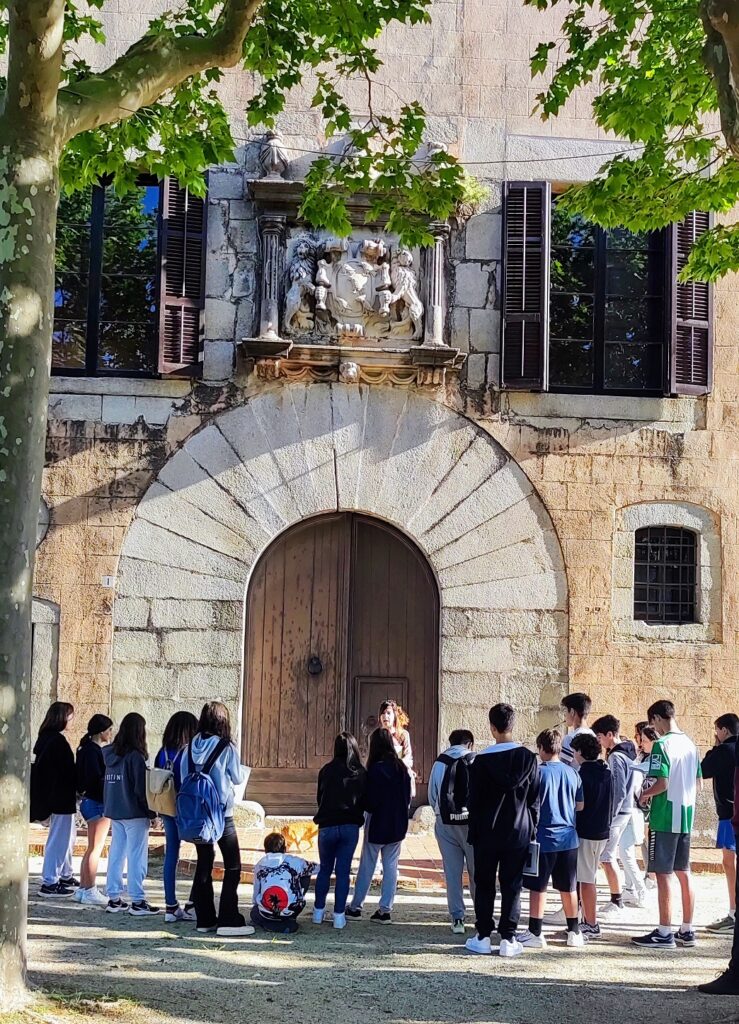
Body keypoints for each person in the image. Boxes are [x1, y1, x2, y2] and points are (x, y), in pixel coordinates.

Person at [465, 704, 539, 958]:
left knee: (484, 882)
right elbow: (534, 798)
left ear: (492, 727)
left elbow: (473, 800)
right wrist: (532, 827)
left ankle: (483, 935)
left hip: (486, 831)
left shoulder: (480, 761)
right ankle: (508, 937)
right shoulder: (528, 758)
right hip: (518, 830)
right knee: (513, 884)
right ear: (513, 725)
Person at [177, 701, 253, 937]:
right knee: (233, 865)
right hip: (222, 815)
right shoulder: (226, 747)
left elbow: (182, 776)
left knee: (204, 864)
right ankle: (229, 918)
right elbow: (237, 778)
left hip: (197, 816)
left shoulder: (188, 748)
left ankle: (205, 918)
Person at [632, 699, 700, 950]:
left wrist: (645, 795)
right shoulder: (691, 744)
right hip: (686, 814)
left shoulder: (662, 744)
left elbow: (662, 782)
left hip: (664, 816)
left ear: (658, 718)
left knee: (663, 874)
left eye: (653, 723)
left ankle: (664, 931)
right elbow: (698, 782)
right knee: (684, 871)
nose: (654, 729)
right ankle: (687, 928)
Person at [519, 729, 584, 950]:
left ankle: (535, 931)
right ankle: (574, 931)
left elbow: (528, 803)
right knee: (569, 887)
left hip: (543, 837)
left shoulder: (538, 773)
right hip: (569, 838)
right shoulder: (573, 773)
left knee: (538, 887)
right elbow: (580, 805)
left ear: (541, 748)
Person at [346, 727, 411, 924]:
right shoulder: (401, 769)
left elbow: (370, 801)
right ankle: (385, 910)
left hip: (377, 823)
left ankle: (356, 907)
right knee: (391, 866)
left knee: (367, 865)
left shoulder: (375, 770)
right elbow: (407, 797)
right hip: (397, 823)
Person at [698, 714, 739, 995]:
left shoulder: (724, 750)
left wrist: (714, 746)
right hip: (730, 811)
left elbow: (703, 769)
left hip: (728, 813)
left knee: (728, 862)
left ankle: (733, 911)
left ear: (723, 730)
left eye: (716, 730)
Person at [103, 712, 159, 916]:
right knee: (136, 856)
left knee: (116, 853)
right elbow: (140, 790)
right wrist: (152, 814)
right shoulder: (136, 757)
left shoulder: (109, 754)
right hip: (134, 812)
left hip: (115, 810)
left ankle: (114, 897)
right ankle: (137, 900)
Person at [313, 731, 367, 930]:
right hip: (349, 825)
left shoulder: (326, 770)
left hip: (327, 825)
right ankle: (338, 916)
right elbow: (364, 800)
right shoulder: (360, 772)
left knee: (325, 869)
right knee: (343, 872)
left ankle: (318, 912)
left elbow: (319, 798)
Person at [592, 714, 644, 914]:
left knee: (606, 856)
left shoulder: (616, 756)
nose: (599, 742)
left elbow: (619, 790)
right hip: (626, 809)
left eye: (600, 737)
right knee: (611, 855)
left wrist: (610, 816)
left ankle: (617, 900)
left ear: (609, 734)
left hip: (618, 812)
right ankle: (618, 897)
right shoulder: (628, 752)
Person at [428, 729, 476, 934]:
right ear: (470, 744)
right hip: (472, 824)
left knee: (452, 872)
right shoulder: (475, 760)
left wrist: (441, 814)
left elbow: (432, 796)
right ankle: (482, 914)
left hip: (446, 823)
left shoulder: (440, 762)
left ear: (450, 742)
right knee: (476, 871)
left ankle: (457, 918)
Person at [31, 701, 78, 897]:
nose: (72, 721)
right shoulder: (56, 741)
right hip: (60, 798)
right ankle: (50, 881)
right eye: (70, 717)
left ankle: (65, 874)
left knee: (67, 837)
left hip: (58, 797)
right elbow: (63, 771)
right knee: (59, 840)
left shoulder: (45, 738)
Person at [155, 710, 198, 923]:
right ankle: (193, 904)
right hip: (186, 807)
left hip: (166, 806)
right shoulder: (189, 752)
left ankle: (170, 905)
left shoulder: (162, 751)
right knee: (203, 852)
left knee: (171, 853)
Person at [570, 732, 612, 938]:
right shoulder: (605, 772)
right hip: (602, 830)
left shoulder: (582, 775)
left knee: (586, 879)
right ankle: (585, 918)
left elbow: (578, 805)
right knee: (587, 876)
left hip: (587, 832)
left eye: (575, 751)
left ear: (580, 752)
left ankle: (591, 923)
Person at [75, 713, 114, 906]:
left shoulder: (85, 748)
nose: (111, 733)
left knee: (92, 847)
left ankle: (84, 888)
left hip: (89, 800)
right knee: (96, 848)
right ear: (101, 732)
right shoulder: (93, 751)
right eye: (109, 730)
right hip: (97, 801)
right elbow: (94, 778)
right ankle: (90, 888)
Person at [252, 832, 317, 933]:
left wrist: (256, 904)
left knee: (254, 913)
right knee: (306, 873)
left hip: (267, 912)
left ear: (265, 849)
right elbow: (317, 868)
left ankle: (270, 923)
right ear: (285, 849)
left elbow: (256, 890)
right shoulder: (295, 861)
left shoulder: (259, 865)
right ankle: (289, 919)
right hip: (291, 910)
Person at [634, 721, 659, 889]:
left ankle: (652, 875)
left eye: (644, 740)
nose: (641, 743)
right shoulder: (643, 756)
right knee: (644, 840)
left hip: (650, 804)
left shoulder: (655, 758)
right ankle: (649, 873)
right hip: (642, 804)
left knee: (649, 839)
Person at [378, 699, 415, 795]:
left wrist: (397, 765)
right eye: (383, 713)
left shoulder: (403, 734)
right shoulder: (377, 736)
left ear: (394, 715)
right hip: (382, 776)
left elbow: (408, 757)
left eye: (388, 713)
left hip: (400, 776)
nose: (385, 716)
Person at [560, 693, 594, 769]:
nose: (564, 715)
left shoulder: (570, 738)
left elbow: (563, 767)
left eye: (565, 710)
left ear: (572, 712)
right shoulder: (594, 735)